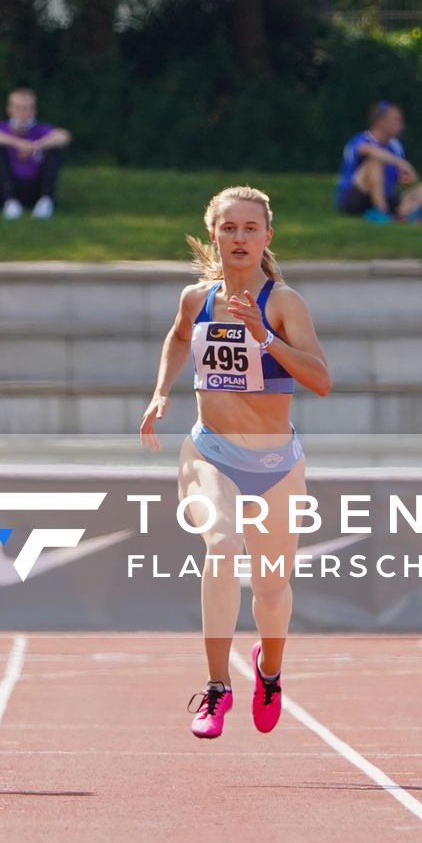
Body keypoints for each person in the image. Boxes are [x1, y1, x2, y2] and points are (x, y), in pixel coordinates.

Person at [139, 186, 333, 741]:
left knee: (271, 590)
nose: (240, 238)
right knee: (222, 546)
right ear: (214, 236)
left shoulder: (284, 303)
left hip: (275, 460)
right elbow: (178, 339)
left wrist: (264, 338)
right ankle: (218, 686)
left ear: (267, 236)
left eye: (251, 229)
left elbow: (320, 379)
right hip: (211, 450)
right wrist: (160, 393)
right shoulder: (195, 299)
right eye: (229, 228)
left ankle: (268, 672)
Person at [0, 86, 72, 220]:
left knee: (53, 149)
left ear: (34, 110)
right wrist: (17, 143)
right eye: (17, 108)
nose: (22, 113)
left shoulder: (41, 130)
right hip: (8, 186)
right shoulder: (2, 128)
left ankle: (45, 201)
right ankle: (9, 202)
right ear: (9, 109)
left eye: (26, 108)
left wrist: (35, 146)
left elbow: (64, 136)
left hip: (35, 186)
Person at [335, 101, 422, 222]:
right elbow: (368, 150)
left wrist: (406, 179)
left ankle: (402, 214)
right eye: (396, 120)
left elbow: (399, 179)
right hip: (357, 198)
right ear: (381, 122)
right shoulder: (361, 139)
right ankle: (381, 211)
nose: (401, 125)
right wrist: (401, 163)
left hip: (386, 196)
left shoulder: (396, 146)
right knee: (374, 163)